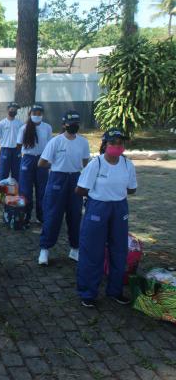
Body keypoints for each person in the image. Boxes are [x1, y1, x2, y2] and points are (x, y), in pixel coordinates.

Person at [75, 128, 137, 308]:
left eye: (120, 144)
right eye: (113, 143)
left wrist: (115, 189)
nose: (117, 147)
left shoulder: (127, 164)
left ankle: (115, 291)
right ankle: (88, 292)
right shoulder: (96, 164)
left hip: (119, 208)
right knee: (92, 251)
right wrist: (100, 192)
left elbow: (132, 189)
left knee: (119, 251)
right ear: (105, 145)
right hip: (98, 207)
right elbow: (80, 189)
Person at [37, 110, 90, 266]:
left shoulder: (83, 142)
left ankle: (75, 248)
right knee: (53, 215)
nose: (73, 126)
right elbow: (41, 163)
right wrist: (56, 164)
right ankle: (45, 250)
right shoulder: (56, 141)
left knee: (75, 215)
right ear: (64, 124)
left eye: (76, 123)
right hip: (57, 179)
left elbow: (86, 163)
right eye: (70, 123)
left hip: (75, 179)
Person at [16, 104, 53, 224]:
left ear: (42, 115)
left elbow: (50, 145)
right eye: (34, 114)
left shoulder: (47, 127)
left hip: (42, 159)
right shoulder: (24, 128)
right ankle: (24, 216)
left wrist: (48, 160)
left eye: (39, 114)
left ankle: (41, 216)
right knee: (25, 190)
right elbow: (18, 144)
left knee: (42, 189)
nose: (37, 116)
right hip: (28, 159)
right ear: (30, 114)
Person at [0, 102, 24, 183]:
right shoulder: (1, 123)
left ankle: (16, 193)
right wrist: (4, 140)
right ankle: (1, 194)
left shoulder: (20, 124)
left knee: (17, 172)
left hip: (17, 149)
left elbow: (23, 137)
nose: (13, 111)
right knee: (2, 173)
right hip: (5, 150)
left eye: (15, 109)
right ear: (8, 110)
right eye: (12, 109)